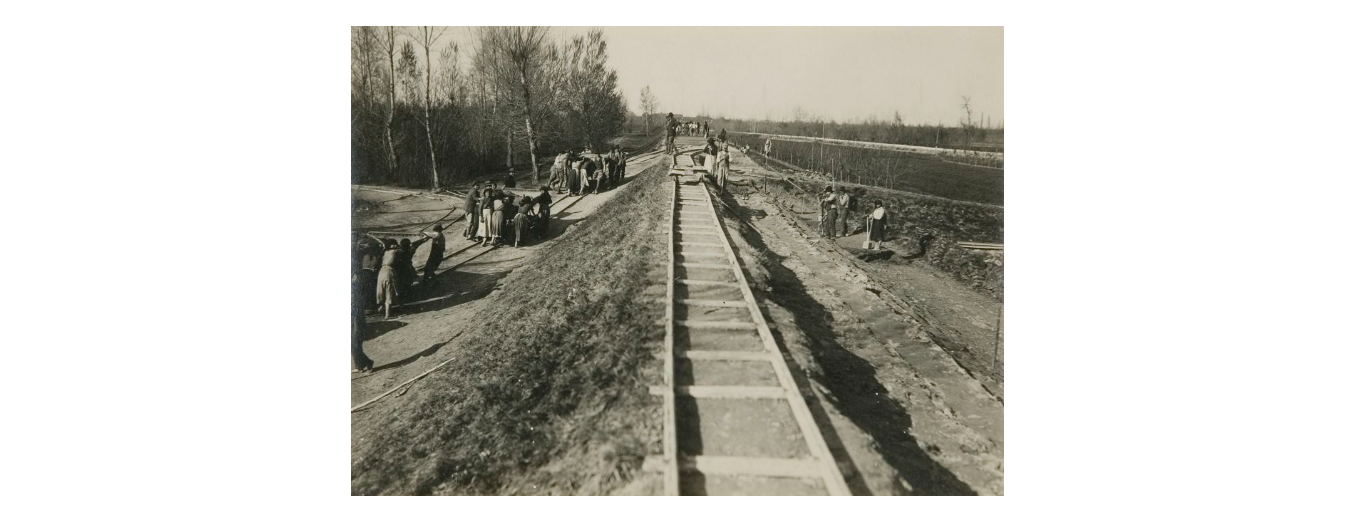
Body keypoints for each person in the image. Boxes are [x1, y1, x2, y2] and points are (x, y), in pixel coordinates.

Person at [352, 238, 374, 373]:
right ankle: (362, 364)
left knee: (354, 340)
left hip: (355, 312)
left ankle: (363, 364)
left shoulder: (357, 279)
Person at [376, 240, 400, 319]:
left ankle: (380, 307)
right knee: (389, 290)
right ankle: (387, 314)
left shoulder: (384, 252)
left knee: (380, 290)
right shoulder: (395, 252)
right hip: (389, 271)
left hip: (381, 271)